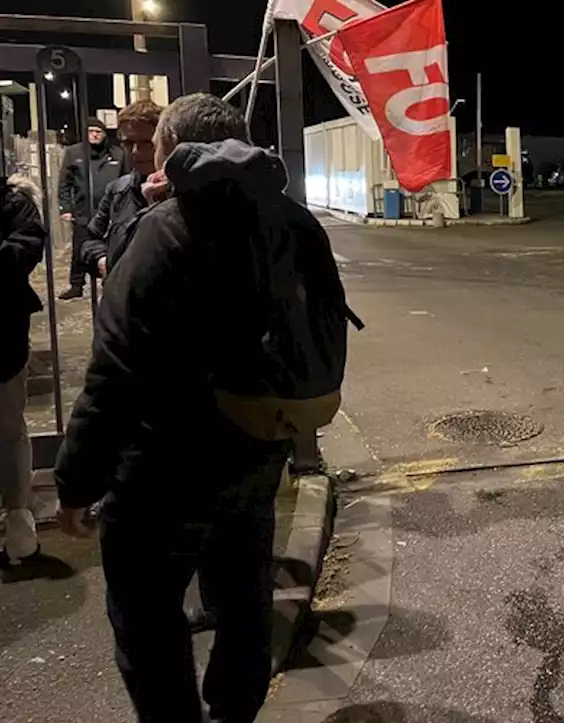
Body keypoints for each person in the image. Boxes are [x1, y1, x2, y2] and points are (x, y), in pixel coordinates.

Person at [54, 93, 351, 723]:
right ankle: (234, 713)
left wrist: (76, 482)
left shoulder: (164, 230)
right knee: (245, 596)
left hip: (160, 469)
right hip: (256, 448)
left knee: (146, 622)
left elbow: (113, 372)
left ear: (170, 151)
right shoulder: (292, 219)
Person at [0, 174, 45, 566]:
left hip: (2, 339)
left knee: (10, 431)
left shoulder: (14, 200)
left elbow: (26, 249)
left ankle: (19, 527)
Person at [82, 101, 162, 280]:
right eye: (128, 143)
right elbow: (90, 240)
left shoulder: (183, 190)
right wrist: (102, 261)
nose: (135, 151)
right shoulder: (118, 190)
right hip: (122, 299)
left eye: (146, 143)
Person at [57, 117, 124, 299]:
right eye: (91, 131)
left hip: (111, 212)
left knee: (112, 247)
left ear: (104, 134)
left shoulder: (117, 154)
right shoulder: (74, 153)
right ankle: (76, 285)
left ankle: (111, 281)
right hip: (83, 210)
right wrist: (65, 208)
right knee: (79, 248)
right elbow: (65, 183)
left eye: (98, 131)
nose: (94, 135)